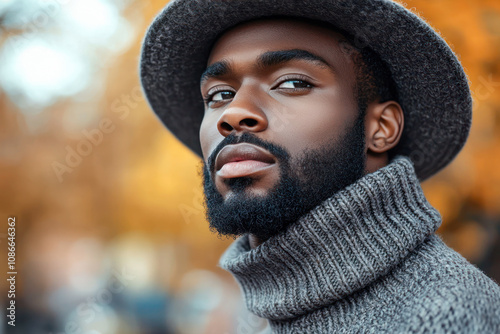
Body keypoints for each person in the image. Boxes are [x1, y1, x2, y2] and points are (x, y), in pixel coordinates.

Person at [140, 0, 500, 332]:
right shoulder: (257, 319)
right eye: (219, 95)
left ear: (381, 128)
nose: (233, 113)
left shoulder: (445, 318)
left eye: (293, 83)